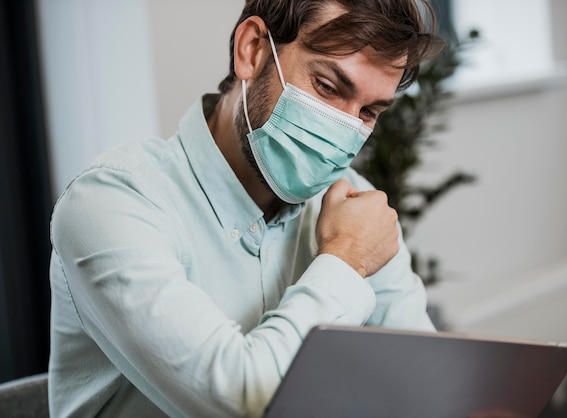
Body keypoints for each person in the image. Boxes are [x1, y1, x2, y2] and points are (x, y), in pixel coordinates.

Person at [48, 0, 444, 416]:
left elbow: (423, 385)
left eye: (367, 112)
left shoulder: (357, 209)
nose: (344, 128)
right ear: (251, 50)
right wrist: (344, 261)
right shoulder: (111, 202)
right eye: (327, 86)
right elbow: (245, 402)